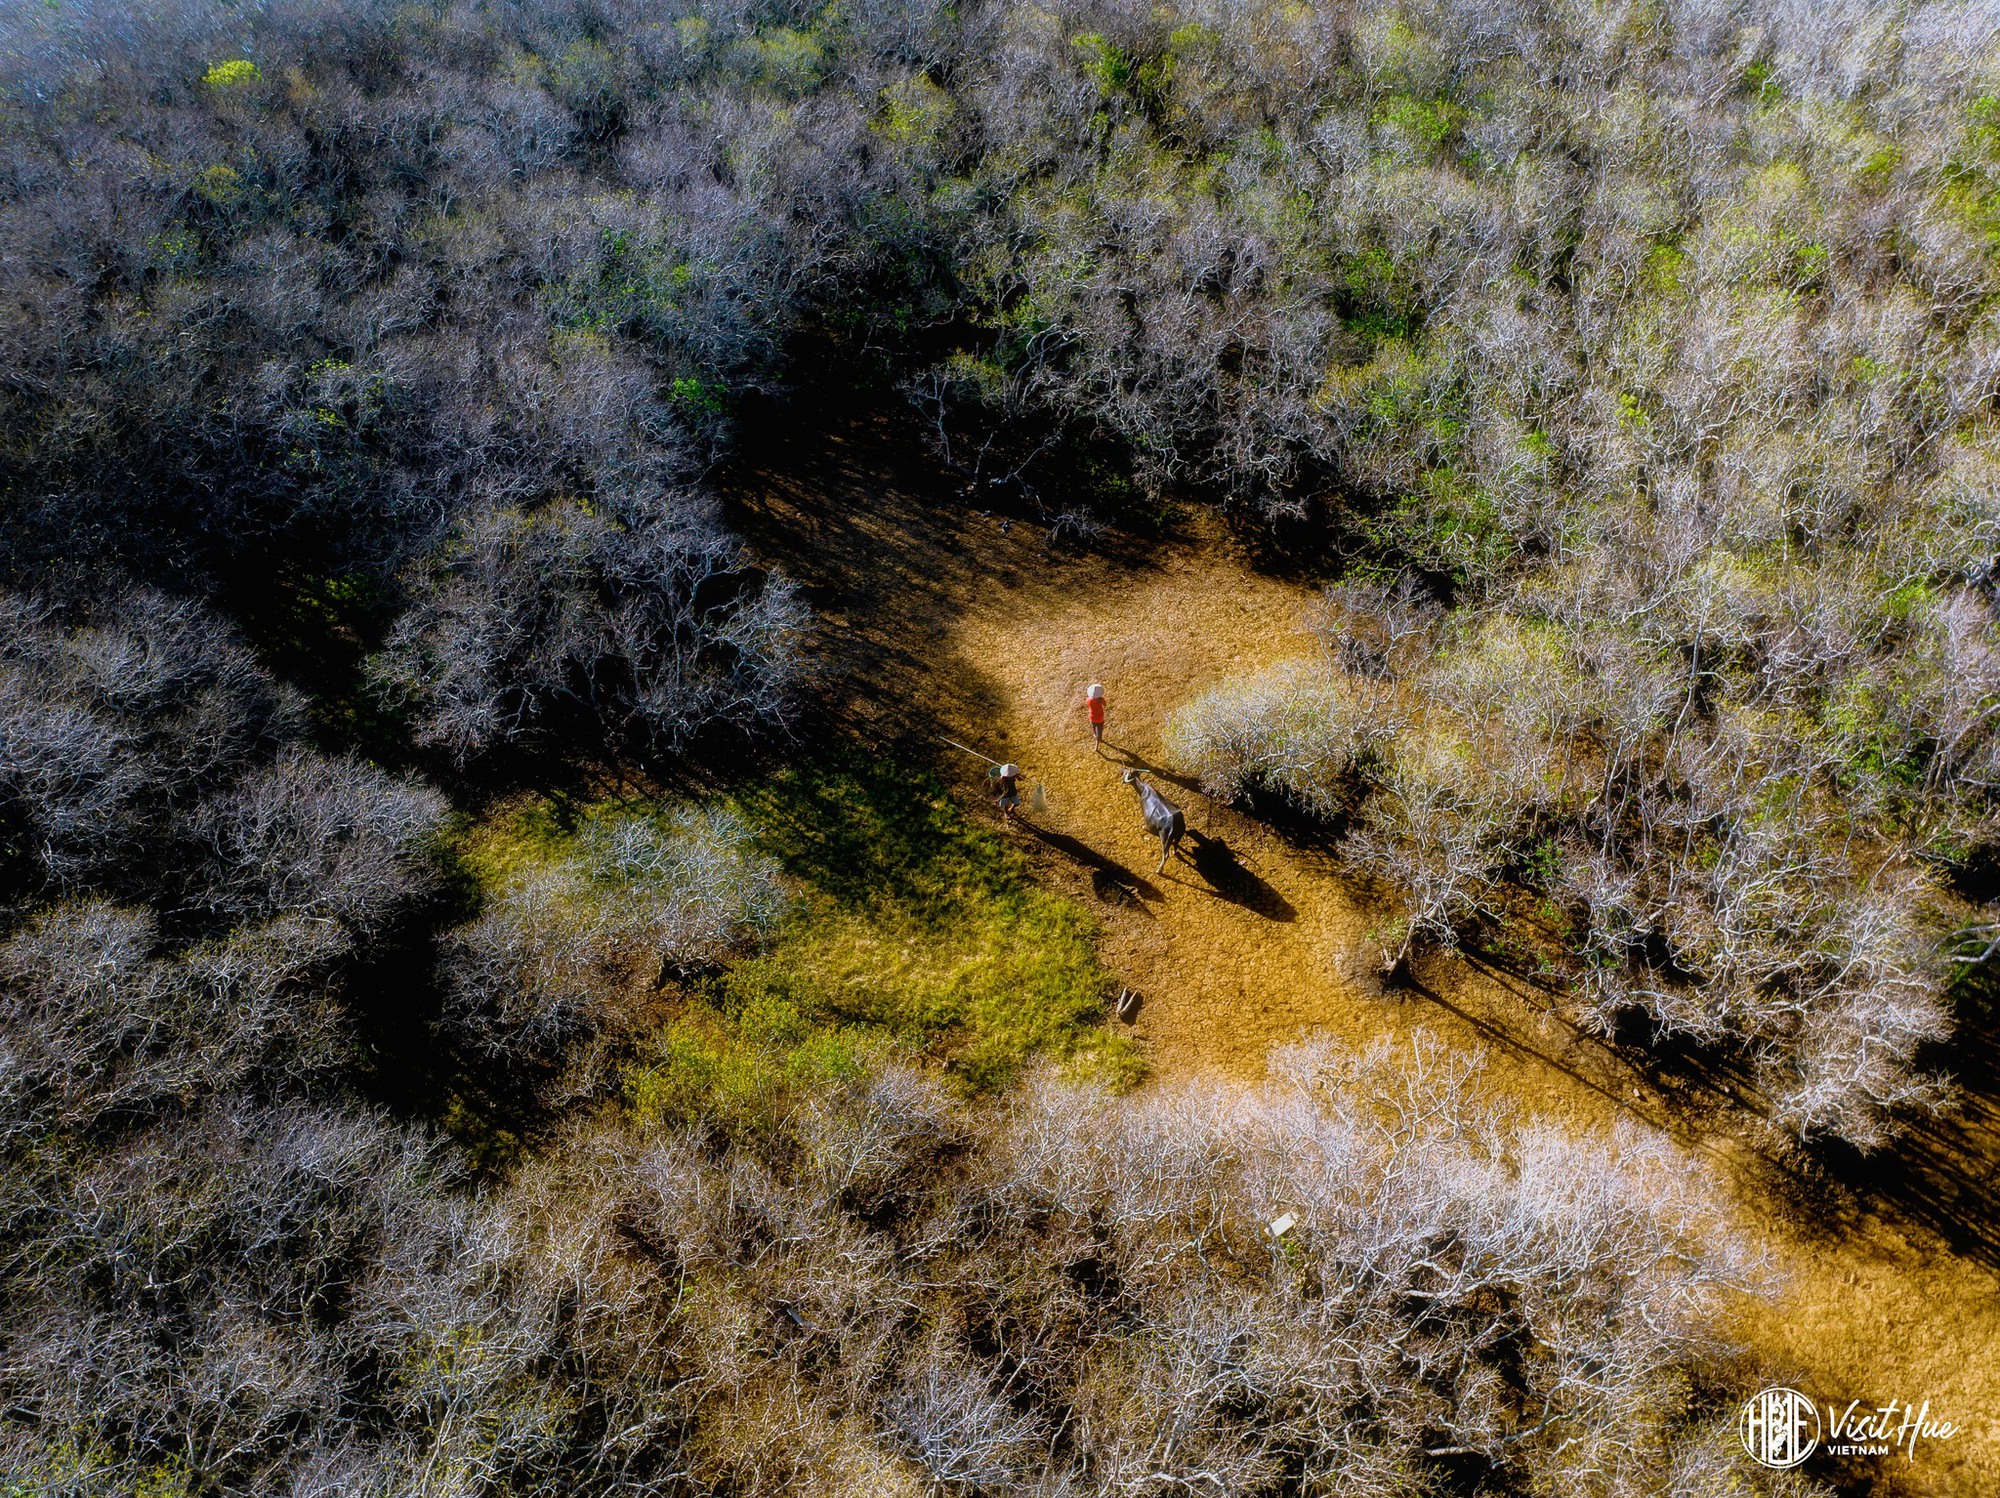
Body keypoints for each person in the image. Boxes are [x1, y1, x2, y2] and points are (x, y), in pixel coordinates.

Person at [1085, 682, 1106, 750]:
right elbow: (1105, 704)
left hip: (1092, 717)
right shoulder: (1101, 699)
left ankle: (1095, 734)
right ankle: (1098, 740)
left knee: (1094, 726)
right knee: (1099, 729)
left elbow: (1087, 703)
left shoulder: (1089, 700)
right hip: (1100, 718)